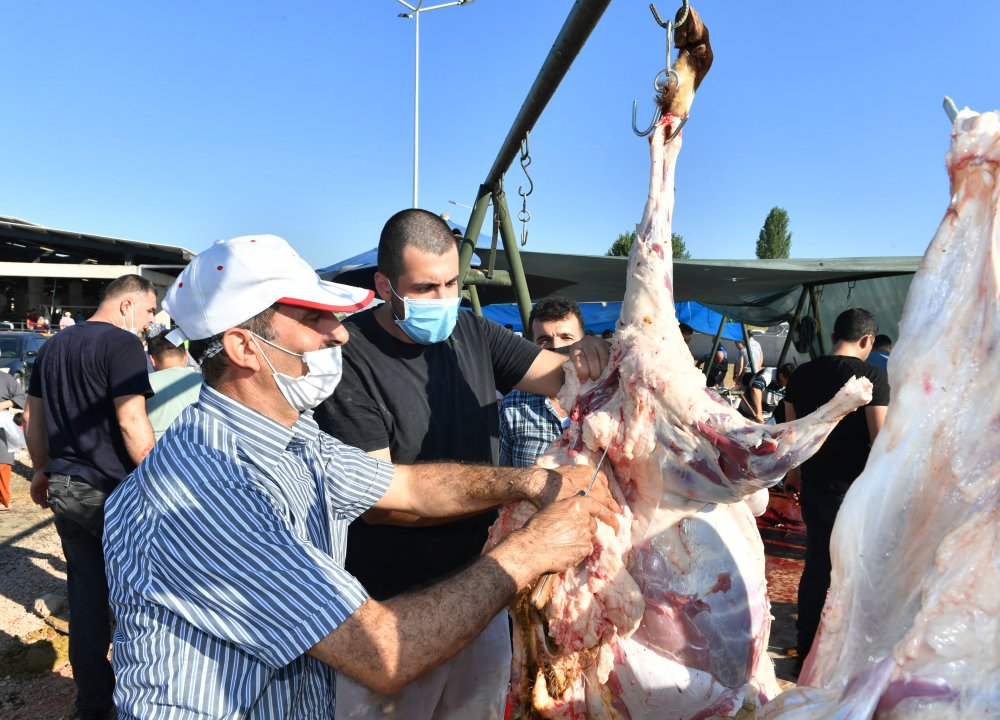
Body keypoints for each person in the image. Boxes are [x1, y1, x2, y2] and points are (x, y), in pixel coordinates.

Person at [102, 234, 615, 720]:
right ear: (243, 348)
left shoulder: (295, 441)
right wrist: (530, 551)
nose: (340, 333)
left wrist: (529, 484)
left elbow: (409, 486)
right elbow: (385, 652)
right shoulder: (207, 493)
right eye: (315, 319)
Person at [315, 209, 611, 720]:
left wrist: (598, 358)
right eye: (426, 288)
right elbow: (382, 502)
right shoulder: (349, 357)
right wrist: (523, 488)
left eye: (453, 282)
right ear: (386, 285)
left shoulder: (472, 333)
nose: (444, 300)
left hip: (483, 591)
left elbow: (561, 377)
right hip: (393, 609)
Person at [25, 274, 157, 720]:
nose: (149, 322)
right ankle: (146, 698)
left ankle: (93, 705)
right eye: (149, 312)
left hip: (65, 488)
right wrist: (163, 481)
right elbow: (131, 421)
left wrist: (42, 469)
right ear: (126, 305)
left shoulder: (51, 347)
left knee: (86, 597)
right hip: (112, 491)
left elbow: (32, 417)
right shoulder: (123, 346)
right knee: (140, 595)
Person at [783, 307, 889, 673]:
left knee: (816, 568)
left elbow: (792, 436)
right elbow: (881, 440)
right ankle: (848, 658)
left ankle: (805, 650)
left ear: (833, 335)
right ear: (867, 340)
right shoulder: (873, 375)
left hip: (814, 486)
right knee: (856, 573)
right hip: (856, 493)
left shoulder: (801, 374)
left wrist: (794, 478)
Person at [500, 297, 585, 468]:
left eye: (566, 337)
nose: (557, 346)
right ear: (530, 346)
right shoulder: (513, 405)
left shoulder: (608, 399)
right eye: (544, 340)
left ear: (584, 340)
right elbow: (501, 473)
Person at [145, 332, 202, 440]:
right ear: (185, 356)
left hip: (157, 449)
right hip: (197, 445)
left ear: (152, 359)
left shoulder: (144, 383)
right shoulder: (204, 381)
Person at [0, 371, 27, 510]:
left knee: (3, 461)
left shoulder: (5, 378)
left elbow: (22, 396)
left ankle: (3, 500)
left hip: (2, 425)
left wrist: (4, 405)